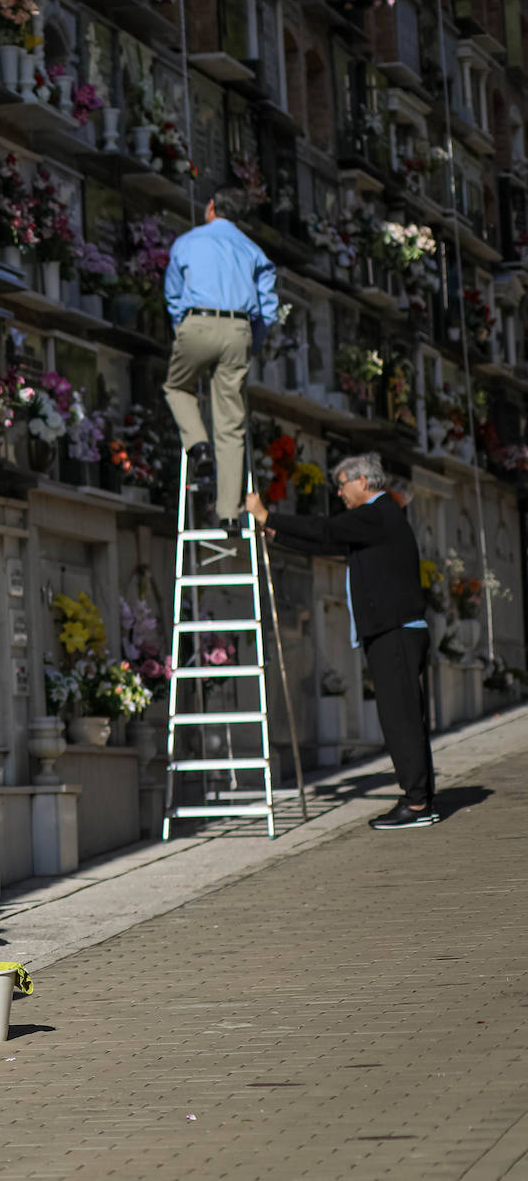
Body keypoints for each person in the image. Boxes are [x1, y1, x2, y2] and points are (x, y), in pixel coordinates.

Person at [246, 453, 437, 830]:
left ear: (364, 482)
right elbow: (329, 542)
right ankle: (420, 800)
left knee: (400, 719)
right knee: (403, 716)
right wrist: (279, 534)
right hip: (394, 630)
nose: (339, 491)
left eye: (343, 483)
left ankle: (417, 805)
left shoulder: (377, 512)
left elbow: (326, 529)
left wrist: (268, 515)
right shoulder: (377, 519)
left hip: (395, 630)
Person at [163, 185, 279, 528]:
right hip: (239, 329)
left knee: (177, 387)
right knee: (230, 423)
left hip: (196, 322)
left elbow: (173, 294)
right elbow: (268, 310)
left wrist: (182, 330)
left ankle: (197, 445)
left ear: (211, 207)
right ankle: (228, 514)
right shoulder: (254, 251)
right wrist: (251, 344)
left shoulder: (187, 241)